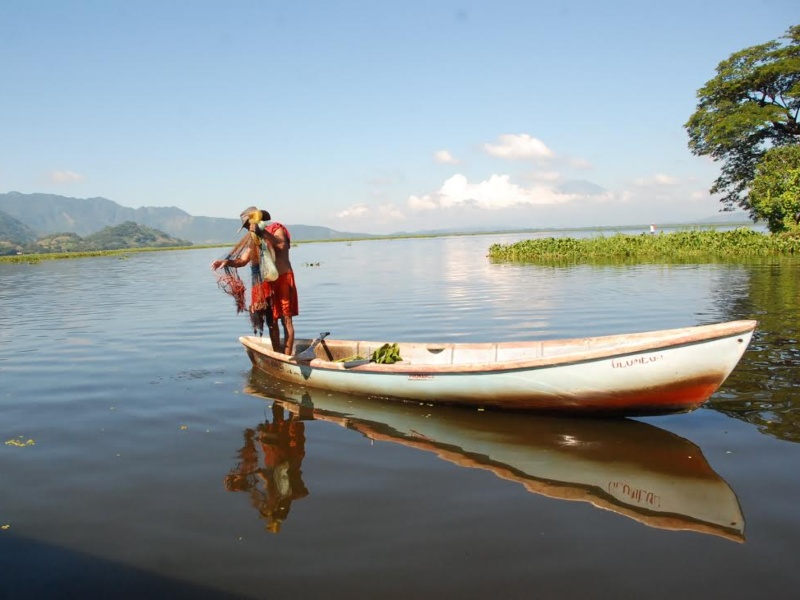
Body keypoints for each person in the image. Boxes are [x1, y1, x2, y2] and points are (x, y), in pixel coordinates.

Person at [212, 206, 298, 355]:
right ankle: (277, 354)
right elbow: (243, 260)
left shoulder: (276, 229)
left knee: (286, 320)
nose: (247, 228)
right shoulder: (254, 239)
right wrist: (226, 262)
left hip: (283, 278)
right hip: (266, 282)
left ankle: (288, 357)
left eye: (248, 224)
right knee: (271, 322)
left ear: (257, 219)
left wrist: (262, 232)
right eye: (245, 226)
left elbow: (282, 244)